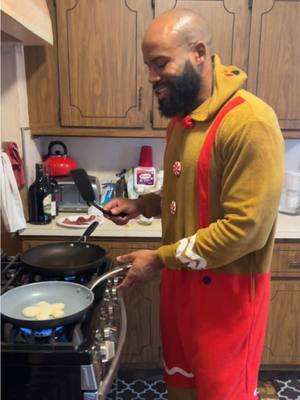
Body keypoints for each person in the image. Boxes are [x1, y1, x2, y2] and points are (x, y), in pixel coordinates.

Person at [104, 8, 284, 400]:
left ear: (199, 52)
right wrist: (142, 205)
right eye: (148, 66)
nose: (151, 76)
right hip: (181, 287)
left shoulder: (249, 122)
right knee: (181, 387)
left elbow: (244, 231)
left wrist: (159, 258)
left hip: (228, 298)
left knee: (223, 393)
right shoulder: (182, 121)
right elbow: (185, 192)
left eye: (160, 63)